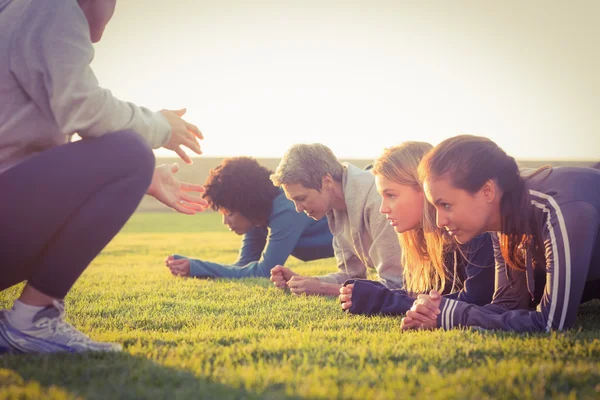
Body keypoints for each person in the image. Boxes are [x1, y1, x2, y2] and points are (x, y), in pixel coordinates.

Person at [0, 0, 208, 354]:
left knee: (131, 158)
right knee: (130, 151)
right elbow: (85, 109)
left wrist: (143, 177)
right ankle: (32, 319)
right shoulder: (49, 6)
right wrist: (158, 126)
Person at [402, 135, 600, 332]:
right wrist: (437, 312)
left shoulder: (560, 208)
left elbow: (553, 324)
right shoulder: (502, 217)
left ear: (487, 190)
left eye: (446, 205)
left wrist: (455, 315)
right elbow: (508, 303)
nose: (440, 221)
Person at [339, 142, 495, 315]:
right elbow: (425, 295)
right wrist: (367, 292)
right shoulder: (423, 240)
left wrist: (381, 300)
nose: (383, 208)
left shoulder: (474, 233)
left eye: (391, 195)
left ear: (425, 189)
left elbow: (476, 300)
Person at [269, 143, 403, 296]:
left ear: (326, 182)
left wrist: (323, 289)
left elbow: (396, 285)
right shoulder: (336, 207)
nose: (298, 208)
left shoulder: (378, 201)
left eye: (301, 198)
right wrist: (303, 281)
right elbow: (351, 276)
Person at [165, 157, 334, 278]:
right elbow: (242, 267)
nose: (225, 222)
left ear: (247, 204)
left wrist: (198, 267)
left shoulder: (287, 208)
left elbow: (264, 272)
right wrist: (193, 266)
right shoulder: (258, 219)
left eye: (229, 213)